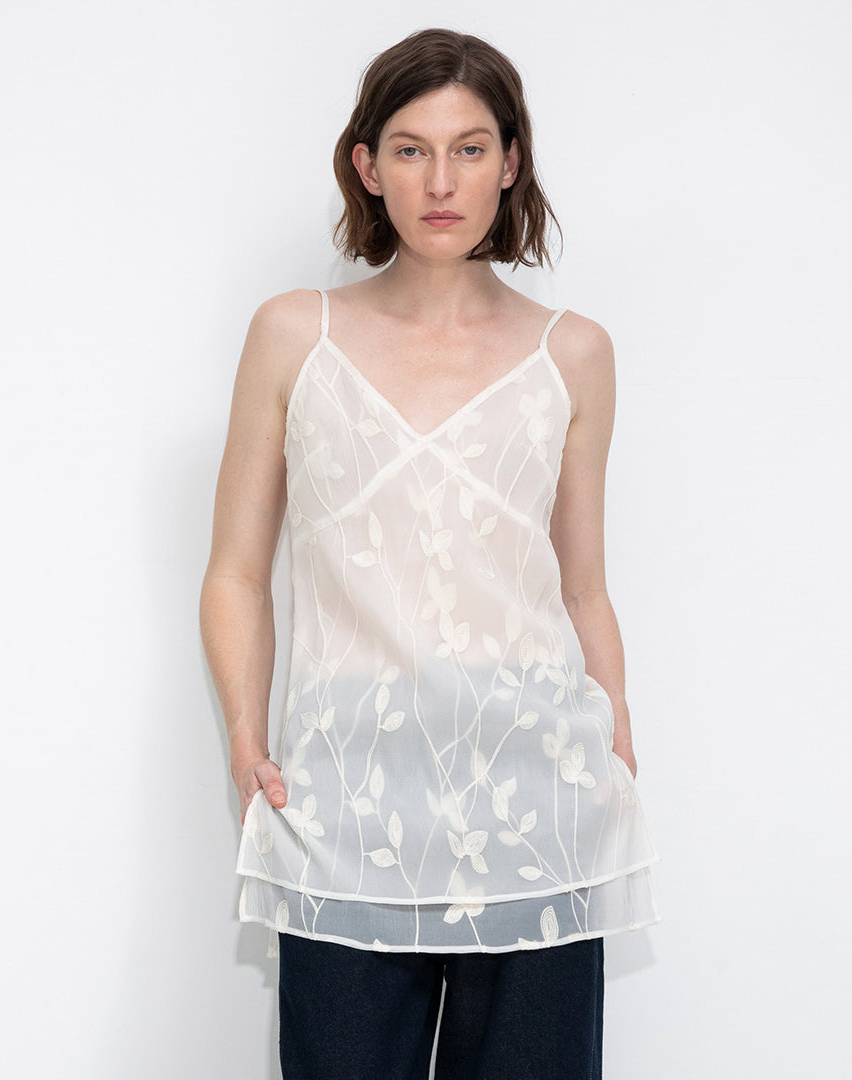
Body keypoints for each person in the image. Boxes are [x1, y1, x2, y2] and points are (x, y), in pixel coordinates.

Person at [200, 27, 659, 1080]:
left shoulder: (574, 352)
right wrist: (244, 737)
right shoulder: (294, 335)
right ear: (367, 166)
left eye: (469, 148)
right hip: (342, 807)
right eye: (411, 150)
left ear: (511, 162)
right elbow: (236, 571)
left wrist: (616, 748)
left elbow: (583, 587)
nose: (441, 181)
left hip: (538, 804)